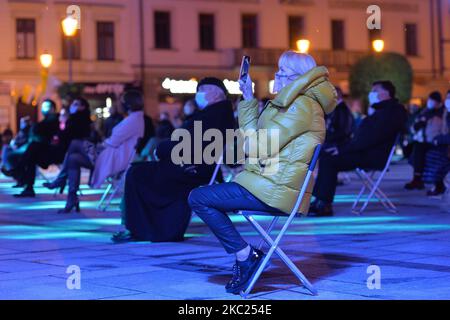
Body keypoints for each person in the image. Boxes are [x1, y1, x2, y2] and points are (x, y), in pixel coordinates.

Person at [188, 51, 336, 295]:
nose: (277, 75)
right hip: (267, 182)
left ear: (299, 77)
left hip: (273, 189)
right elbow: (256, 139)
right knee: (202, 196)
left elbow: (256, 147)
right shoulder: (294, 102)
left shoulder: (301, 106)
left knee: (199, 197)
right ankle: (246, 255)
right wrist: (247, 98)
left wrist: (250, 143)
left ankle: (246, 256)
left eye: (282, 72)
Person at [112, 77, 235, 244]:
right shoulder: (215, 113)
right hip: (189, 164)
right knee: (139, 171)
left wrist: (161, 149)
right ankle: (141, 228)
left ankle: (141, 229)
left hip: (192, 168)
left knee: (137, 173)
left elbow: (190, 143)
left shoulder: (215, 115)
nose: (198, 94)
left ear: (215, 93)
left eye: (201, 90)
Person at [310, 80, 407, 217]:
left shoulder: (390, 112)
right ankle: (319, 200)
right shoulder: (383, 111)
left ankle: (324, 204)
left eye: (375, 91)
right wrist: (341, 148)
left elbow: (369, 139)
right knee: (327, 156)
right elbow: (364, 138)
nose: (371, 94)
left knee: (330, 160)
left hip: (372, 155)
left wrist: (342, 149)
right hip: (365, 151)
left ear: (385, 93)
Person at [46, 91, 145, 213]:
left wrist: (99, 145)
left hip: (112, 158)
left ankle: (60, 180)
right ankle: (71, 198)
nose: (119, 104)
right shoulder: (135, 118)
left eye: (122, 101)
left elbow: (113, 141)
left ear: (129, 104)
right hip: (110, 154)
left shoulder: (133, 120)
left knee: (75, 144)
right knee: (73, 158)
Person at [5, 100, 60, 197]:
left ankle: (20, 176)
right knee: (29, 153)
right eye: (43, 106)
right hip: (39, 149)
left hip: (51, 152)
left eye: (46, 106)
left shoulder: (56, 120)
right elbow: (35, 133)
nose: (44, 109)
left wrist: (33, 129)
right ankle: (26, 184)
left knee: (31, 151)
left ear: (53, 108)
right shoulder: (45, 121)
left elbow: (46, 135)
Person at [42, 97, 92, 193]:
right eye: (73, 104)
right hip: (70, 151)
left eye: (76, 104)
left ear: (83, 107)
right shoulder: (73, 118)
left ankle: (60, 180)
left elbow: (67, 135)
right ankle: (70, 194)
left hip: (79, 151)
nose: (73, 106)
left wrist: (64, 124)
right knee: (71, 156)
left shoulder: (80, 120)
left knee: (72, 147)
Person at [405, 91, 445, 190]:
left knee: (419, 149)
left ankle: (418, 178)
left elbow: (441, 130)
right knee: (411, 149)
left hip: (436, 141)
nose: (431, 103)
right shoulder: (425, 112)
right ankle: (418, 178)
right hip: (422, 140)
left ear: (439, 102)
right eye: (430, 100)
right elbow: (413, 128)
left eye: (433, 101)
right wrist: (418, 125)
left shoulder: (443, 113)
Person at [423, 90, 450, 196]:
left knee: (436, 157)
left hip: (446, 147)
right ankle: (438, 184)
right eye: (447, 97)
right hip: (446, 146)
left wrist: (438, 140)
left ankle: (438, 185)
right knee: (430, 154)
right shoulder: (446, 114)